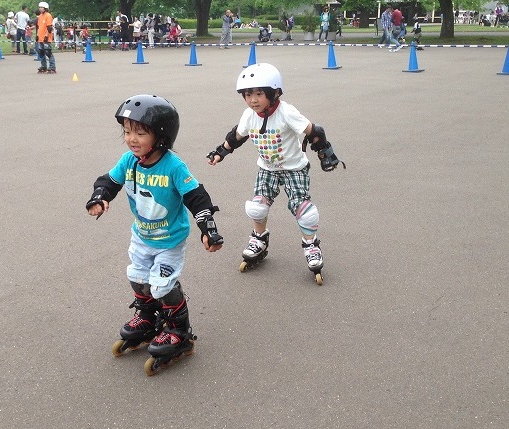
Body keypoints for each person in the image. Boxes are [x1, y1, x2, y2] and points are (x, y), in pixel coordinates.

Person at [86, 94, 223, 372]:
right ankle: (148, 317)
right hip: (142, 236)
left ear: (161, 136)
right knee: (137, 278)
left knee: (162, 285)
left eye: (139, 132)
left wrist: (207, 228)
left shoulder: (173, 166)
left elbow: (196, 196)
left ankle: (178, 330)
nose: (131, 139)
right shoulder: (129, 161)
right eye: (126, 131)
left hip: (169, 241)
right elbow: (109, 181)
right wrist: (100, 197)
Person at [206, 63, 345, 281]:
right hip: (267, 168)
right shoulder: (249, 116)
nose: (253, 100)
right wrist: (221, 152)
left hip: (294, 168)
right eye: (248, 94)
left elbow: (314, 131)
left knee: (304, 211)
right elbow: (236, 136)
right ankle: (259, 239)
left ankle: (311, 246)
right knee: (257, 208)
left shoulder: (286, 112)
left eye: (259, 94)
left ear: (275, 92)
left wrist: (325, 153)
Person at [36, 1, 56, 73]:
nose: (40, 9)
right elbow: (39, 27)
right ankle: (43, 66)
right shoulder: (40, 16)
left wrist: (46, 36)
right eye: (39, 7)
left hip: (46, 37)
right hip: (40, 37)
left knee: (48, 52)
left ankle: (52, 67)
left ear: (45, 8)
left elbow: (49, 28)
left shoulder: (48, 15)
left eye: (41, 7)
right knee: (41, 52)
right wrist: (37, 36)